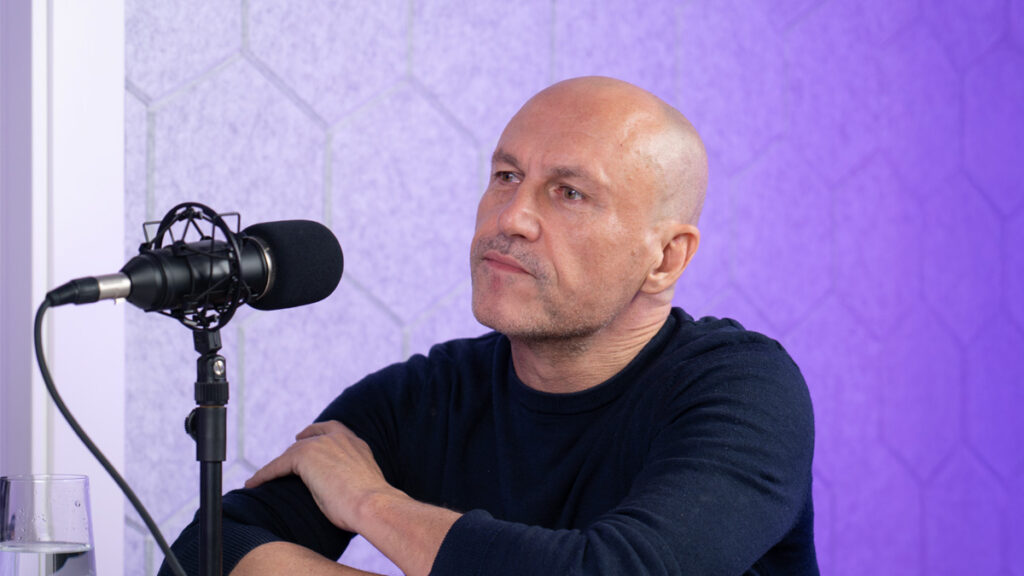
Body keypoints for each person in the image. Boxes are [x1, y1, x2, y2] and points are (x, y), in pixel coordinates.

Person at [162, 76, 818, 575]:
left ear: (666, 258)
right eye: (506, 176)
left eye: (569, 193)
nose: (511, 217)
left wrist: (369, 502)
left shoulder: (744, 392)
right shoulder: (429, 396)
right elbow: (207, 554)